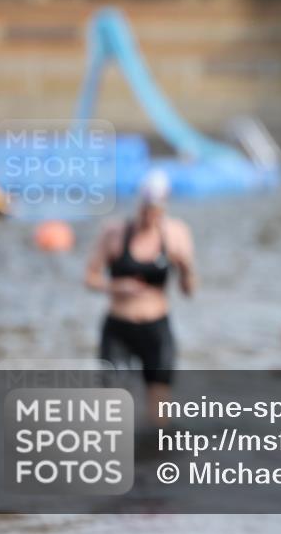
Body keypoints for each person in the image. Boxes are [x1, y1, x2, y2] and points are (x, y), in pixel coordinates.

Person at [84, 171, 196, 425]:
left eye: (155, 211)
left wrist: (186, 268)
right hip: (119, 327)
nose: (149, 217)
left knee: (159, 402)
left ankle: (157, 458)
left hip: (155, 328)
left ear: (164, 207)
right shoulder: (114, 232)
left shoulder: (176, 234)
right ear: (139, 205)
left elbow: (188, 291)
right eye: (146, 210)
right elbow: (89, 277)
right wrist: (115, 286)